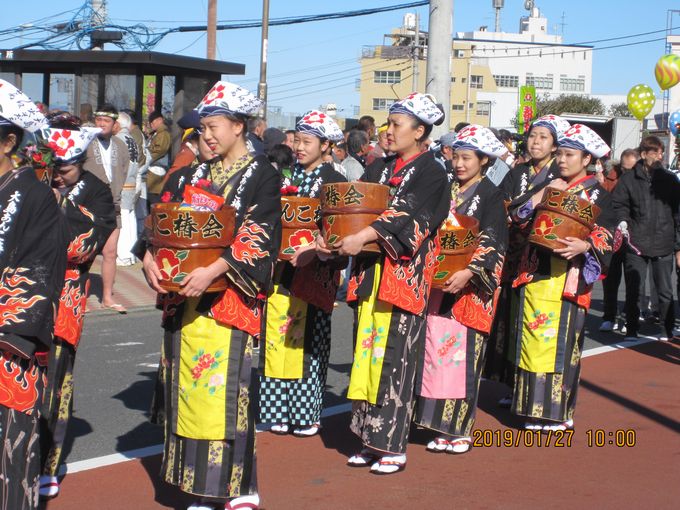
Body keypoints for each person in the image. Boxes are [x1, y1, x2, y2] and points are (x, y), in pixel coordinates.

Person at [137, 81, 281, 510]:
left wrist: (216, 269)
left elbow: (260, 233)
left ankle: (238, 485)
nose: (208, 136)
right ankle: (195, 483)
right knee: (188, 389)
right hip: (183, 298)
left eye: (215, 127)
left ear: (240, 126)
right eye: (203, 129)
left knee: (225, 391)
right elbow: (158, 224)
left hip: (227, 298)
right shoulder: (186, 175)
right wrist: (147, 256)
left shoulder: (262, 175)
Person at [318, 92, 449, 474]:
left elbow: (406, 218)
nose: (388, 131)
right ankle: (367, 439)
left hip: (403, 276)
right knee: (367, 355)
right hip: (370, 275)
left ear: (420, 131)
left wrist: (362, 237)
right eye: (388, 123)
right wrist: (333, 237)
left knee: (395, 359)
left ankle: (391, 445)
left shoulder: (432, 172)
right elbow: (353, 210)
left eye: (396, 125)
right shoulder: (381, 168)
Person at [507, 124, 616, 431]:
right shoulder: (549, 184)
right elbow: (516, 215)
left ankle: (558, 411)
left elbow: (607, 233)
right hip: (536, 273)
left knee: (564, 345)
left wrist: (587, 245)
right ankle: (530, 406)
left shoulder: (597, 194)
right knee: (531, 338)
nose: (563, 160)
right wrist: (542, 193)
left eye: (570, 155)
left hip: (569, 278)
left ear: (586, 159)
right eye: (561, 154)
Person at [414, 125, 508, 454]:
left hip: (469, 288)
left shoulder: (492, 195)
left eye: (467, 158)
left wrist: (469, 271)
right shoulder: (446, 188)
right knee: (435, 351)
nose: (459, 164)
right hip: (438, 282)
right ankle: (436, 423)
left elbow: (494, 241)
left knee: (463, 356)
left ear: (484, 160)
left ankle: (461, 429)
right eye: (456, 157)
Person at [38, 119, 116, 499]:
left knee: (55, 379)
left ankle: (48, 463)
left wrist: (55, 206)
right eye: (53, 167)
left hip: (65, 291)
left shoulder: (97, 192)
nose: (58, 175)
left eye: (65, 169)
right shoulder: (32, 182)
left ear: (79, 162)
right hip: (20, 292)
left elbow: (85, 245)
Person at [0, 79, 68, 510]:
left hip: (7, 340)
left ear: (8, 140)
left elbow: (39, 274)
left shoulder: (35, 197)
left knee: (9, 455)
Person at [259, 110, 346, 437]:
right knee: (276, 335)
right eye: (297, 140)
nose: (298, 147)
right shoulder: (284, 174)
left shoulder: (334, 180)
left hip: (314, 269)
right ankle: (277, 409)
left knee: (310, 340)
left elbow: (338, 229)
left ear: (325, 145)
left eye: (307, 141)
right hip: (281, 269)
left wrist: (318, 247)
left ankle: (306, 412)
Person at [486, 115, 570, 406]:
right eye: (533, 136)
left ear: (555, 145)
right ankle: (512, 383)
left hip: (540, 256)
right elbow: (501, 204)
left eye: (543, 137)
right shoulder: (516, 171)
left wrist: (521, 208)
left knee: (535, 322)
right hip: (511, 253)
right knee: (510, 319)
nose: (535, 142)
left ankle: (535, 388)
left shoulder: (560, 176)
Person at [612, 136, 680, 341]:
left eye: (662, 152)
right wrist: (623, 220)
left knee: (665, 290)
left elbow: (678, 214)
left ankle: (666, 329)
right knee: (634, 288)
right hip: (636, 241)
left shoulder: (669, 179)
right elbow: (619, 204)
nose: (660, 156)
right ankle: (632, 329)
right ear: (644, 154)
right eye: (656, 152)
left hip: (664, 240)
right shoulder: (628, 179)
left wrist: (678, 245)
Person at [84, 104, 131, 313]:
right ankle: (75, 296)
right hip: (89, 203)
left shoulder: (120, 146)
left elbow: (124, 169)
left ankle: (107, 297)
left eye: (106, 121)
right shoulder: (85, 142)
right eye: (99, 120)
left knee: (111, 252)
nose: (102, 124)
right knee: (82, 251)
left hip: (113, 202)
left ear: (114, 124)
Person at [599, 148, 639, 332]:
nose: (627, 172)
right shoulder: (609, 180)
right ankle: (609, 315)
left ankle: (627, 316)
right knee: (610, 278)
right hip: (612, 234)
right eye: (624, 168)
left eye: (631, 168)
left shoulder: (643, 180)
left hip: (634, 237)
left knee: (633, 280)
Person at [114, 111, 140, 266]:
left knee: (123, 220)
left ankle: (123, 256)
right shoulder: (131, 138)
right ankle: (131, 254)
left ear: (117, 124)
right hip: (131, 181)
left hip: (122, 183)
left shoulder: (118, 140)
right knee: (130, 219)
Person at [145, 110, 172, 208]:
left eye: (153, 121)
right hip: (152, 168)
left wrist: (147, 157)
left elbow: (160, 149)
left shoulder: (163, 133)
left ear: (160, 120)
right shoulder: (156, 133)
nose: (151, 124)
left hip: (157, 169)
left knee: (153, 197)